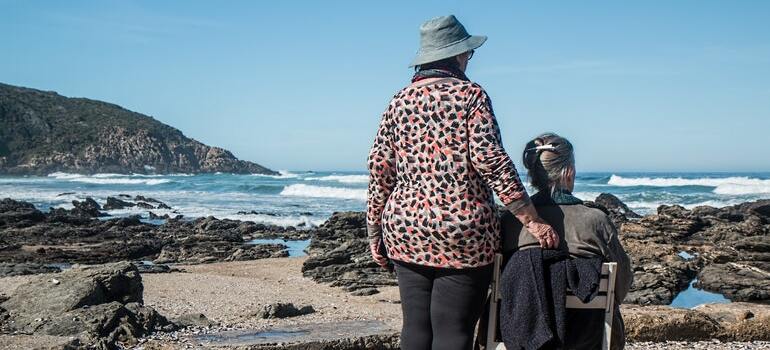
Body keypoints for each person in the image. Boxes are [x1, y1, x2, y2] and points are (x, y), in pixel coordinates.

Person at [366, 15, 561, 350]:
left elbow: (379, 169)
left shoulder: (398, 101)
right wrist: (533, 220)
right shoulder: (471, 96)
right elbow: (491, 161)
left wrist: (374, 232)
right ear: (458, 55)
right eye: (468, 54)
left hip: (405, 228)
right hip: (463, 232)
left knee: (415, 328)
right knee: (453, 331)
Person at [501, 133, 633, 349]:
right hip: (586, 336)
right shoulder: (595, 220)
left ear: (533, 176)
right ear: (569, 172)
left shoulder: (510, 222)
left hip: (518, 334)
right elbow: (622, 284)